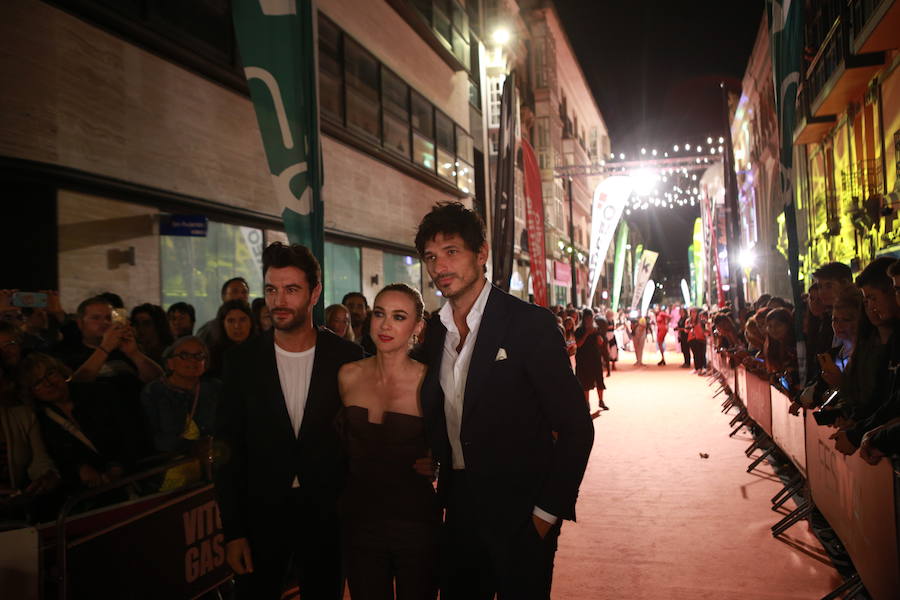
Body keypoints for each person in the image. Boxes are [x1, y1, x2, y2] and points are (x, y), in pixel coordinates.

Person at [415, 202, 593, 599]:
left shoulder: (528, 323)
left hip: (522, 512)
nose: (440, 266)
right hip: (458, 509)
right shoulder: (435, 332)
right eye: (430, 257)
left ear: (481, 254)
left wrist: (546, 513)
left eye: (451, 252)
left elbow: (576, 427)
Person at [214, 242, 364, 599]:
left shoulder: (348, 357)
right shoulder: (242, 362)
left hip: (328, 515)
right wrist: (233, 530)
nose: (279, 300)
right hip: (260, 515)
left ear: (315, 292)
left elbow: (362, 441)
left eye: (291, 289)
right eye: (271, 289)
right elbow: (226, 449)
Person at [338, 283, 440, 599]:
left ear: (417, 327)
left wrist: (438, 463)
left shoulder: (431, 382)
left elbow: (456, 446)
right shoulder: (347, 375)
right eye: (379, 314)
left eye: (399, 317)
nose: (385, 325)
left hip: (416, 523)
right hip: (359, 521)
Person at [20, 353, 132, 494]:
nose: (48, 383)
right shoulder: (42, 421)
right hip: (91, 493)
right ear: (31, 392)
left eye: (50, 373)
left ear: (61, 372)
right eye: (37, 383)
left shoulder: (101, 393)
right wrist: (80, 468)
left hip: (133, 475)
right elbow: (59, 457)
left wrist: (118, 466)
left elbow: (131, 432)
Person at [141, 336, 220, 491]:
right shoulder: (154, 392)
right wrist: (191, 446)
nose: (193, 361)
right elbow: (151, 438)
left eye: (199, 356)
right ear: (170, 362)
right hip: (165, 471)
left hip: (211, 471)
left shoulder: (215, 389)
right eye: (184, 355)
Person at [207, 300, 256, 380]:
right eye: (231, 321)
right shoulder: (212, 355)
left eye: (242, 320)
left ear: (251, 322)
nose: (237, 326)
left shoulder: (262, 349)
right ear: (223, 324)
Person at [196, 277, 251, 348]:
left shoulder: (256, 326)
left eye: (244, 292)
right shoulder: (209, 331)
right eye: (235, 292)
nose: (241, 296)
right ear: (224, 297)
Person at [574, 309, 607, 417]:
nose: (589, 320)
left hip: (595, 358)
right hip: (583, 359)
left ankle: (601, 401)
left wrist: (597, 334)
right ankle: (587, 403)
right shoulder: (579, 330)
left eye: (590, 318)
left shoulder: (596, 329)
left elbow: (601, 342)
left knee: (599, 379)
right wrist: (587, 333)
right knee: (585, 382)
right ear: (583, 319)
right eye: (587, 318)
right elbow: (578, 344)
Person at [687, 308, 707, 375]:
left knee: (702, 354)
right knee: (695, 354)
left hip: (701, 339)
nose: (693, 314)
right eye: (692, 312)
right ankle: (697, 368)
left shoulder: (701, 321)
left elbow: (705, 329)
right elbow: (686, 330)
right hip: (692, 339)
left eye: (694, 312)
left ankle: (703, 367)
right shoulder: (688, 321)